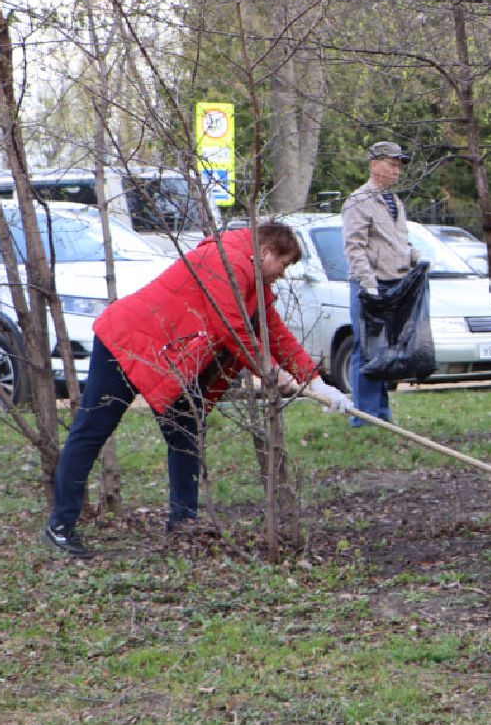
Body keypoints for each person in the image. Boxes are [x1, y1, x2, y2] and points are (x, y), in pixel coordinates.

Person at [41, 223, 351, 558]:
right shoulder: (226, 262)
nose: (283, 273)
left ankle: (183, 528)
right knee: (92, 431)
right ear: (265, 252)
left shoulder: (251, 280)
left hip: (166, 358)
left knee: (185, 435)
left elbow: (273, 332)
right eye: (283, 264)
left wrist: (316, 382)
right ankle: (61, 526)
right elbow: (230, 327)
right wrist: (271, 371)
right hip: (126, 343)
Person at [342, 141, 422, 427]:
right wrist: (369, 284)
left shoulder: (394, 202)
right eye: (391, 164)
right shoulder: (359, 201)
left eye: (398, 166)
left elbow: (397, 242)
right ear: (374, 164)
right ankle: (364, 417)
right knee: (366, 349)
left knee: (384, 352)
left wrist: (415, 257)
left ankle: (381, 414)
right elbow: (354, 247)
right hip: (371, 287)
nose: (396, 171)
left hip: (395, 284)